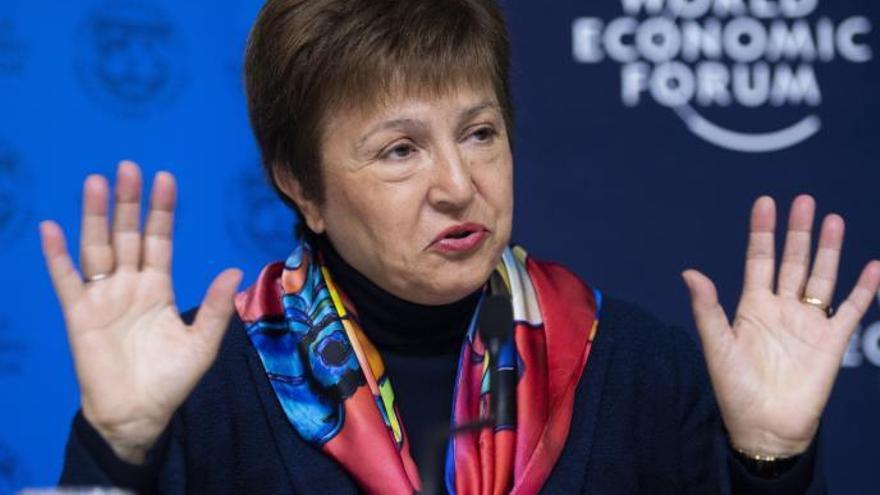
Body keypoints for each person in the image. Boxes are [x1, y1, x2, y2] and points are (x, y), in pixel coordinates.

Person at [42, 0, 879, 493]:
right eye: (400, 150)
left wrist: (771, 461)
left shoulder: (636, 367)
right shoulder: (211, 381)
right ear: (301, 185)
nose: (457, 182)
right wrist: (115, 448)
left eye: (479, 132)